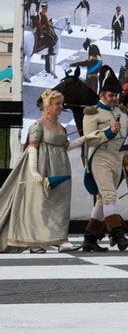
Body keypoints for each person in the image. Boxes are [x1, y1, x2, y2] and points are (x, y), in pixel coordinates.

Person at [0, 90, 80, 253]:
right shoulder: (38, 125)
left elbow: (67, 146)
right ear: (47, 106)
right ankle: (35, 241)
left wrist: (92, 137)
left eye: (61, 103)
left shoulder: (61, 127)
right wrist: (34, 172)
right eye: (57, 104)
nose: (61, 107)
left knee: (61, 202)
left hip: (61, 165)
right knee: (40, 204)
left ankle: (61, 240)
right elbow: (32, 149)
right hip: (43, 165)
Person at [79, 66, 128, 252]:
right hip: (100, 157)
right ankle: (118, 237)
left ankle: (89, 238)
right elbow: (89, 138)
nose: (115, 99)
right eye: (111, 96)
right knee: (109, 196)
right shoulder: (92, 113)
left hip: (117, 159)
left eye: (116, 95)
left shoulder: (121, 112)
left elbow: (127, 133)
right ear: (102, 95)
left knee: (102, 199)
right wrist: (108, 132)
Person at [34, 1, 57, 77]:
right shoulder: (40, 15)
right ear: (43, 8)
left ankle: (47, 62)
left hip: (45, 30)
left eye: (47, 8)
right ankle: (50, 51)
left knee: (53, 36)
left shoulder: (44, 15)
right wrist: (45, 28)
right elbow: (39, 24)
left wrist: (49, 23)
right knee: (51, 39)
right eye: (46, 8)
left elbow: (47, 23)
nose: (46, 9)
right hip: (42, 32)